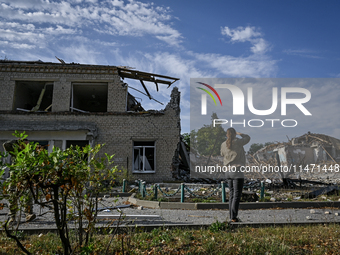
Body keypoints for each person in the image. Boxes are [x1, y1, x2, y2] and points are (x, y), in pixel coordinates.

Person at [3, 139, 36, 223]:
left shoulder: (30, 153)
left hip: (26, 176)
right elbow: (6, 144)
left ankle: (28, 214)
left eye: (27, 144)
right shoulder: (15, 151)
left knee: (28, 195)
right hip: (15, 175)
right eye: (24, 144)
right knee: (13, 195)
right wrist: (17, 141)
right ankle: (12, 217)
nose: (26, 145)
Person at [220, 128, 250, 222]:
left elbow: (221, 154)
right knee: (237, 194)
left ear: (226, 135)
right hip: (237, 170)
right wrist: (240, 133)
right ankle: (233, 217)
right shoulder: (238, 142)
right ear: (234, 134)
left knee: (232, 194)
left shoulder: (223, 144)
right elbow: (248, 137)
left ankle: (231, 216)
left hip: (227, 171)